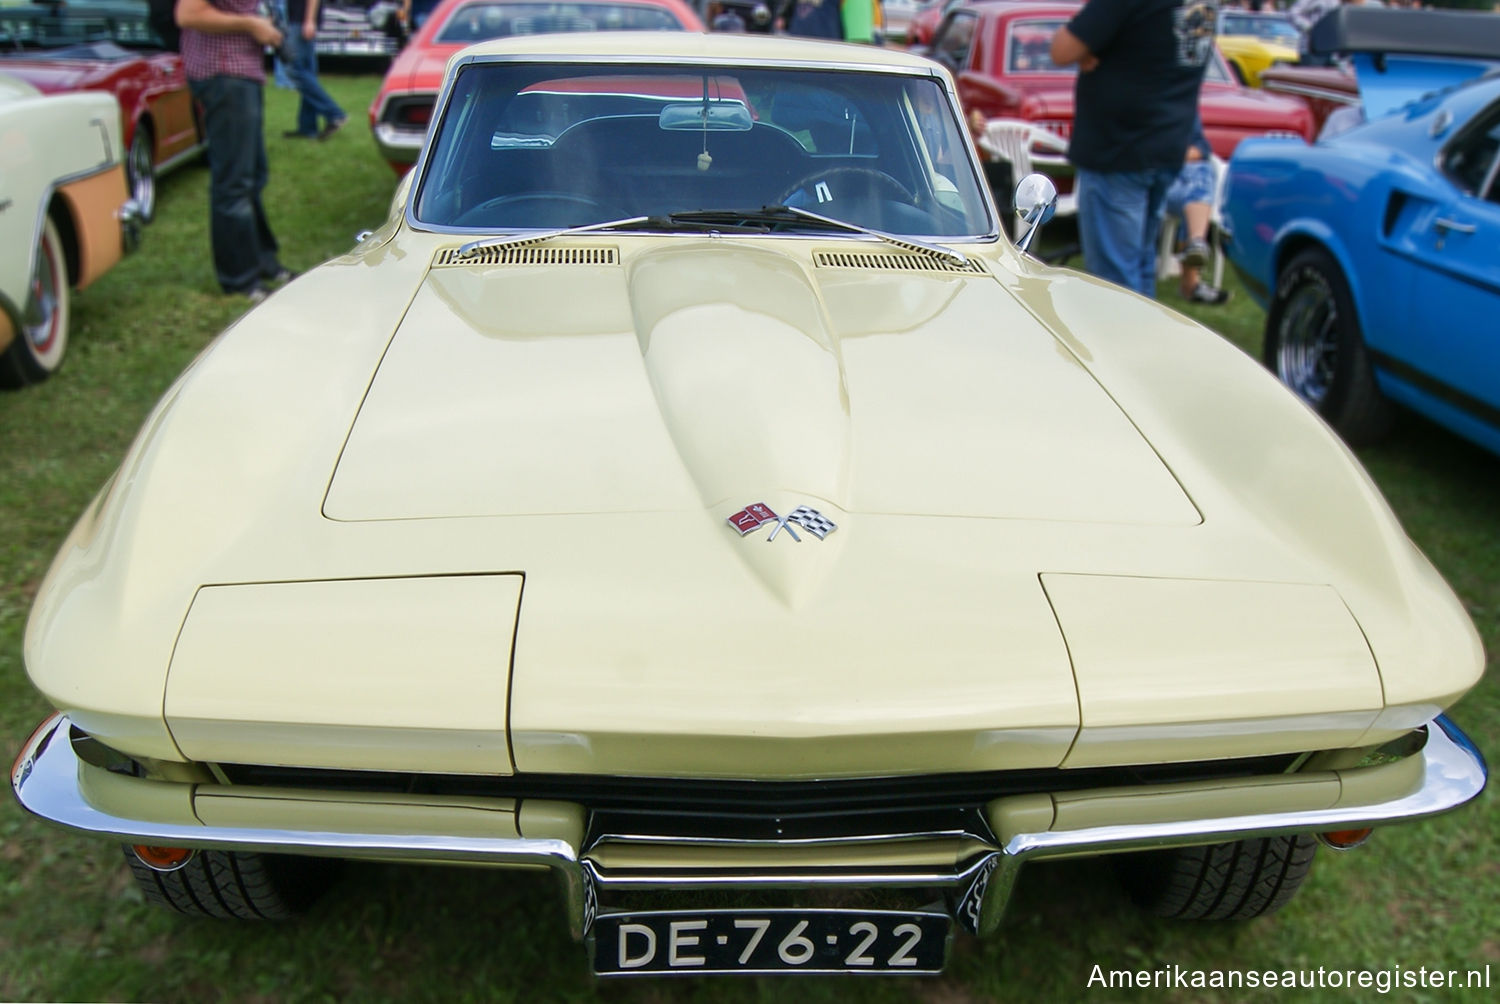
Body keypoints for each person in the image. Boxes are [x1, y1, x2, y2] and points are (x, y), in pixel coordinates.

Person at [1050, 0, 1219, 297]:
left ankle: (1122, 341)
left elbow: (1062, 49)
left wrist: (1092, 44)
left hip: (1119, 149)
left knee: (1114, 284)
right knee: (1139, 270)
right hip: (1166, 144)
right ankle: (1142, 339)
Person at [175, 0, 296, 302]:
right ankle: (240, 279)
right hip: (223, 72)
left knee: (253, 175)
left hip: (242, 72)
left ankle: (264, 263)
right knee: (234, 181)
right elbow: (188, 13)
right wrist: (251, 24)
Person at [1163, 121, 1229, 304]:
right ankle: (1191, 277)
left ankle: (1195, 245)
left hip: (1180, 180)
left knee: (1201, 173)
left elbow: (1201, 148)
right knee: (1199, 182)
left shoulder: (1182, 101)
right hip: (1146, 182)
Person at [281, 0, 348, 140]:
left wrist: (309, 20)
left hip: (301, 20)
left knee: (294, 69)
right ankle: (307, 127)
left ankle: (334, 114)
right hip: (299, 19)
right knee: (307, 71)